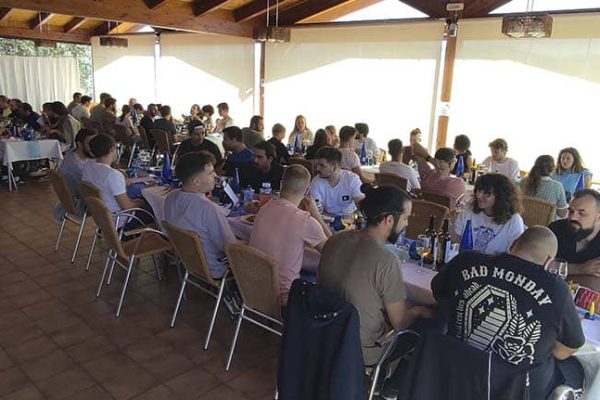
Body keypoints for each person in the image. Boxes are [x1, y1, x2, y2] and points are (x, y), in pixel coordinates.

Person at [431, 227, 585, 400]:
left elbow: (439, 295)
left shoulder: (465, 261)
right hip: (517, 392)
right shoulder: (557, 289)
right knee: (575, 370)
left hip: (452, 381)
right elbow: (568, 348)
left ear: (512, 245)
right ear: (548, 261)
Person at [318, 185, 433, 366]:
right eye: (405, 218)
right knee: (425, 326)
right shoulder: (386, 261)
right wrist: (418, 310)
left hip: (324, 332)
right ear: (388, 220)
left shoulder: (335, 239)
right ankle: (392, 383)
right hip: (360, 351)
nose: (406, 224)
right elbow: (401, 322)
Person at [250, 165, 331, 304]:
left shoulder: (264, 208)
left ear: (281, 184)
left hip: (253, 287)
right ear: (307, 190)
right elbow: (333, 251)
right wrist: (316, 215)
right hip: (285, 297)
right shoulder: (306, 221)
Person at [164, 151, 237, 279]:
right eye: (210, 173)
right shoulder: (206, 208)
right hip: (215, 269)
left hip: (190, 263)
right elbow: (231, 247)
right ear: (196, 181)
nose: (215, 175)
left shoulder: (171, 197)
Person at [82, 134, 149, 228]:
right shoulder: (112, 175)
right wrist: (141, 202)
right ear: (112, 150)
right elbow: (127, 206)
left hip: (101, 215)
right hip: (119, 219)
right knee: (152, 208)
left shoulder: (88, 166)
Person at [454, 173, 525, 255]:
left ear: (500, 196)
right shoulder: (469, 211)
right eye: (478, 190)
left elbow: (514, 255)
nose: (479, 196)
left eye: (486, 193)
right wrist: (452, 220)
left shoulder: (514, 221)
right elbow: (455, 240)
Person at [549, 189, 600, 291]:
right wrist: (580, 269)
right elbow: (538, 262)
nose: (573, 217)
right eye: (571, 211)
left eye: (581, 213)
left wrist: (559, 268)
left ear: (598, 217)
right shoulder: (557, 229)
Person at [54, 128, 98, 220]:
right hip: (84, 204)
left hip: (70, 201)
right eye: (90, 144)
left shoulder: (72, 155)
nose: (94, 147)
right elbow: (91, 189)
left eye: (96, 143)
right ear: (80, 144)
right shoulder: (76, 167)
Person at [309, 147, 364, 215]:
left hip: (349, 219)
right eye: (317, 165)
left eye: (322, 166)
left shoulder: (352, 179)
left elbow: (362, 206)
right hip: (326, 219)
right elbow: (315, 210)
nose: (317, 168)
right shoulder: (316, 181)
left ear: (334, 167)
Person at [411, 141, 466, 206]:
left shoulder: (426, 175)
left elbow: (415, 146)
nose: (456, 161)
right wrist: (439, 163)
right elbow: (464, 204)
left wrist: (431, 160)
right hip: (446, 215)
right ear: (450, 164)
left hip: (425, 212)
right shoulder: (458, 183)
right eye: (454, 160)